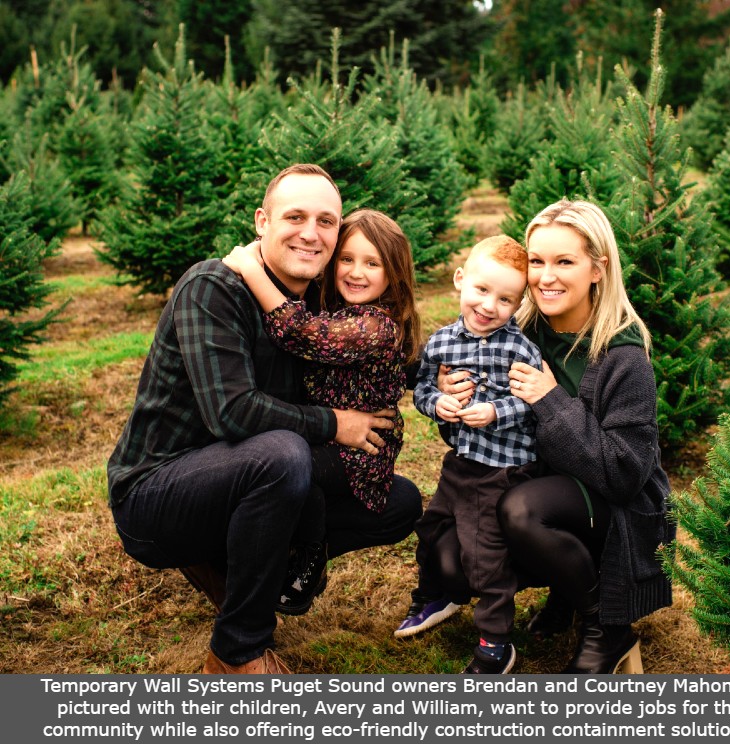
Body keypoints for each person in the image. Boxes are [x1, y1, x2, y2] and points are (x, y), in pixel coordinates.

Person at [106, 164, 422, 675]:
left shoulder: (313, 305)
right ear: (262, 221)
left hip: (244, 478)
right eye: (294, 216)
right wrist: (334, 423)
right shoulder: (215, 287)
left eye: (326, 222)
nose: (310, 233)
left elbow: (381, 349)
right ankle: (237, 652)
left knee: (397, 502)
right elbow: (233, 413)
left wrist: (450, 374)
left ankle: (249, 564)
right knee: (283, 454)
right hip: (157, 493)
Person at [430, 199, 673, 674]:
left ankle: (607, 628)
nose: (546, 277)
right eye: (537, 261)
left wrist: (551, 399)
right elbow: (467, 436)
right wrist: (451, 402)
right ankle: (566, 588)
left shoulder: (622, 356)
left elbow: (624, 474)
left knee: (522, 510)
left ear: (597, 269)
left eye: (565, 262)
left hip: (618, 506)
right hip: (539, 485)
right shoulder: (517, 333)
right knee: (447, 562)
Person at [221, 208, 421, 615]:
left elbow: (305, 335)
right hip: (333, 435)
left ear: (394, 273)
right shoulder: (342, 308)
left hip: (359, 450)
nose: (355, 272)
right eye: (346, 259)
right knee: (286, 466)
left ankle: (311, 557)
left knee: (294, 470)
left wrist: (251, 267)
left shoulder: (374, 325)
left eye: (371, 263)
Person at [394, 235, 542, 674]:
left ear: (518, 304)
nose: (489, 305)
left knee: (484, 555)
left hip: (501, 470)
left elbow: (533, 402)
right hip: (460, 462)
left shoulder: (518, 349)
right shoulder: (440, 343)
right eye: (481, 289)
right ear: (461, 280)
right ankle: (433, 597)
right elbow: (421, 388)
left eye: (505, 298)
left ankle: (496, 643)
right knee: (430, 527)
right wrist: (435, 402)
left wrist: (496, 410)